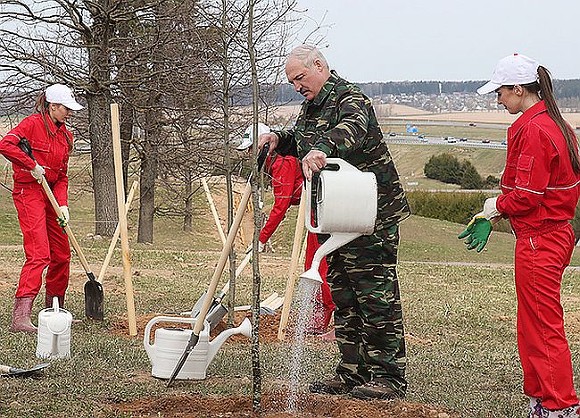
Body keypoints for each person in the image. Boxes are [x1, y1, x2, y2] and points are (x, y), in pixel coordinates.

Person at [258, 44, 411, 400]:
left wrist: (323, 149)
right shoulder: (312, 106)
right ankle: (353, 373)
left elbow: (350, 131)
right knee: (344, 296)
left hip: (371, 214)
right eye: (292, 81)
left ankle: (388, 377)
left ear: (319, 65)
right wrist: (278, 139)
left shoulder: (350, 98)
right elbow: (302, 140)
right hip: (337, 212)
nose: (297, 86)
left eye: (299, 78)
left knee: (375, 297)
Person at [460, 53, 580, 418]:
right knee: (533, 321)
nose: (498, 99)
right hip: (548, 233)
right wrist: (498, 211)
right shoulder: (552, 123)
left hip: (540, 237)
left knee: (542, 323)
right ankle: (542, 399)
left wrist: (493, 207)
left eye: (501, 92)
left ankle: (560, 405)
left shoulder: (534, 130)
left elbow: (528, 195)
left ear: (518, 89)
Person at [237, 123, 336, 334]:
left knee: (316, 264)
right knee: (317, 262)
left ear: (264, 147)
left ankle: (324, 313)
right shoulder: (278, 163)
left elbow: (281, 206)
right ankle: (322, 310)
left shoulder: (282, 163)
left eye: (250, 149)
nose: (248, 154)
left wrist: (261, 239)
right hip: (315, 207)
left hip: (320, 208)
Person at [0, 84, 82, 333]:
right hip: (29, 192)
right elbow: (6, 145)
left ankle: (53, 311)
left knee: (62, 254)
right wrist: (31, 164)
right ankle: (20, 318)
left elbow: (62, 177)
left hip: (51, 196)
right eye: (66, 108)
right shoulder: (32, 124)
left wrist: (63, 204)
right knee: (39, 254)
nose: (69, 113)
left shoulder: (66, 137)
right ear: (53, 106)